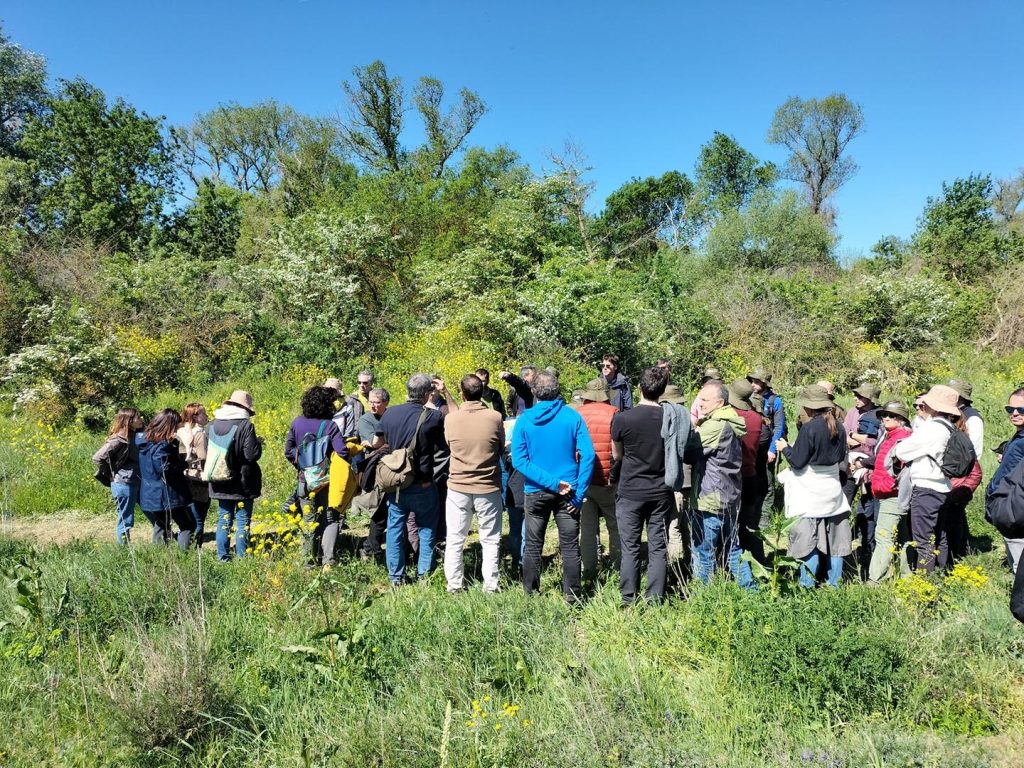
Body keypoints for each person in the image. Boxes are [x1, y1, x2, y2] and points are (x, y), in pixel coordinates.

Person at [512, 370, 596, 605]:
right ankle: (573, 598)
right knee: (569, 546)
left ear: (533, 391)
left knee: (533, 545)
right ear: (558, 390)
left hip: (536, 491)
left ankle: (530, 594)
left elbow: (519, 461)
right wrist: (578, 494)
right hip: (569, 491)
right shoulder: (572, 417)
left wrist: (550, 483)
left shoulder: (524, 420)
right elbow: (588, 456)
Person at [373, 374, 449, 585]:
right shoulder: (433, 417)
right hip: (423, 483)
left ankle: (395, 577)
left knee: (395, 528)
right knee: (426, 529)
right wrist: (442, 397)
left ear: (407, 391)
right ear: (427, 394)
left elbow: (378, 442)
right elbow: (449, 436)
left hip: (396, 483)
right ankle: (424, 575)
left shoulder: (389, 414)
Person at [776, 385, 851, 588]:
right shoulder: (839, 426)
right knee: (836, 540)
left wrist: (785, 448)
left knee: (807, 540)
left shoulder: (810, 428)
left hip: (809, 490)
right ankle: (835, 583)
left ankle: (807, 584)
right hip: (832, 490)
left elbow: (798, 461)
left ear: (808, 407)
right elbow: (841, 456)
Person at [611, 367, 676, 604]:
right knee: (658, 547)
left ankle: (628, 598)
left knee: (631, 547)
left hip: (630, 490)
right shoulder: (670, 418)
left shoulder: (622, 418)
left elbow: (617, 455)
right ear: (662, 391)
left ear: (639, 388)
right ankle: (655, 599)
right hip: (660, 490)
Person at [443, 374, 505, 593]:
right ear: (482, 392)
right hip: (488, 486)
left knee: (455, 538)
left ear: (462, 393)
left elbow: (449, 444)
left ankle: (454, 585)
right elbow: (499, 447)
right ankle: (491, 585)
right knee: (490, 539)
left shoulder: (451, 419)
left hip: (458, 485)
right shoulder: (495, 417)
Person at [890, 385, 958, 575]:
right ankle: (941, 574)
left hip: (927, 488)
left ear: (933, 406)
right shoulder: (949, 426)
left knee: (923, 540)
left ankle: (924, 585)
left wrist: (899, 447)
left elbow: (903, 451)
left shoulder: (933, 427)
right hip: (944, 487)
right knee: (939, 535)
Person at [690, 382, 753, 588]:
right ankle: (751, 591)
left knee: (703, 551)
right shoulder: (731, 421)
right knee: (733, 550)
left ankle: (703, 598)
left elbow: (690, 450)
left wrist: (695, 427)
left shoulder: (714, 425)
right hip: (730, 496)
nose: (700, 403)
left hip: (710, 498)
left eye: (705, 400)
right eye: (700, 399)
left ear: (720, 402)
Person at [286, 386, 351, 568]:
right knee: (331, 518)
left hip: (304, 480)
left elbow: (288, 451)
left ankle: (308, 561)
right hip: (327, 482)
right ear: (327, 405)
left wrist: (303, 467)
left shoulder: (297, 423)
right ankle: (328, 560)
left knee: (309, 520)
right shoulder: (330, 426)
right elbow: (343, 452)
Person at [209, 390, 263, 561]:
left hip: (219, 479)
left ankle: (222, 557)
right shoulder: (245, 425)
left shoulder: (212, 424)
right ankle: (242, 558)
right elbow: (251, 455)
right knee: (242, 521)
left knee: (223, 520)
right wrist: (258, 444)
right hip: (242, 482)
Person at [578, 378, 621, 581]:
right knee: (615, 525)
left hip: (583, 480)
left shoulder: (577, 413)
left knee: (587, 528)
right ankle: (618, 568)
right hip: (607, 480)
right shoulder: (613, 413)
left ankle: (590, 570)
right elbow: (617, 450)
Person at [138, 408, 196, 549]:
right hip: (167, 494)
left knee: (161, 525)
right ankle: (184, 557)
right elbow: (164, 469)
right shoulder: (163, 444)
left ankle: (160, 558)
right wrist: (184, 463)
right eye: (176, 425)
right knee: (188, 525)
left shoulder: (144, 441)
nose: (178, 427)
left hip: (150, 493)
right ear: (169, 425)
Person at [659, 384, 698, 585]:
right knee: (684, 524)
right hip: (688, 480)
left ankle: (675, 570)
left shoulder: (667, 419)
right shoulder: (687, 419)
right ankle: (689, 562)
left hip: (675, 480)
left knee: (673, 526)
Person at [985, 387, 1024, 573]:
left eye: (1021, 409)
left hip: (1014, 508)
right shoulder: (1019, 438)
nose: (1014, 413)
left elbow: (1006, 477)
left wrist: (993, 496)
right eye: (1010, 409)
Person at [93, 407, 144, 544]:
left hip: (137, 480)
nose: (141, 419)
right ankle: (124, 549)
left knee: (150, 509)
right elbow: (98, 458)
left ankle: (164, 537)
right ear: (129, 421)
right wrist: (110, 474)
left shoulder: (134, 434)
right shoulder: (118, 439)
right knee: (125, 518)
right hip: (123, 483)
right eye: (137, 417)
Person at [730, 380, 765, 564]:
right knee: (750, 523)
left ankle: (733, 563)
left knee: (730, 523)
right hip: (750, 474)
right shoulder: (756, 417)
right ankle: (759, 560)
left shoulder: (729, 415)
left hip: (732, 477)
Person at [948, 378, 983, 559]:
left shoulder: (973, 418)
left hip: (964, 471)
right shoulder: (952, 413)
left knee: (956, 513)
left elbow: (974, 451)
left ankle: (958, 553)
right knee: (953, 514)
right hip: (953, 470)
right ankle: (959, 550)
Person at [354, 387, 390, 560]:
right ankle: (370, 548)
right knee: (379, 509)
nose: (373, 406)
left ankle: (373, 546)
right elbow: (374, 445)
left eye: (377, 402)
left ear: (386, 403)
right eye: (370, 402)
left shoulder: (391, 415)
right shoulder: (366, 419)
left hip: (393, 467)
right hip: (376, 469)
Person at [748, 368, 785, 521]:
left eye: (756, 382)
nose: (753, 385)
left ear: (764, 384)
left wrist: (772, 450)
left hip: (766, 448)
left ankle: (764, 518)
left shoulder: (774, 401)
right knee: (750, 480)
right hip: (750, 448)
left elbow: (779, 427)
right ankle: (750, 515)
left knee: (767, 482)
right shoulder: (748, 398)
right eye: (752, 381)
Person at [177, 403, 210, 549]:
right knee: (199, 517)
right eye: (204, 413)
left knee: (189, 514)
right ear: (195, 416)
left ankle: (186, 547)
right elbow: (204, 457)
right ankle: (196, 549)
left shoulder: (181, 431)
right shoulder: (199, 434)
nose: (207, 415)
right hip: (198, 478)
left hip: (184, 476)